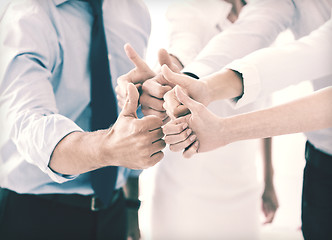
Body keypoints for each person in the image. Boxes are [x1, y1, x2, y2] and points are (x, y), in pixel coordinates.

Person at [0, 0, 165, 240]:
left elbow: (128, 118)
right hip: (34, 215)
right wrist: (108, 147)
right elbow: (30, 125)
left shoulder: (134, 9)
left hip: (114, 212)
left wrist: (131, 207)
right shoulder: (24, 13)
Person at [117, 1, 279, 239]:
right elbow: (184, 46)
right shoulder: (191, 9)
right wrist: (167, 73)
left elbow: (264, 102)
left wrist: (268, 180)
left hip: (244, 186)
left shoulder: (267, 16)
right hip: (186, 188)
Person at [162, 15, 332, 239]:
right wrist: (202, 85)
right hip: (322, 165)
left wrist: (225, 129)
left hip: (243, 176)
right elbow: (307, 51)